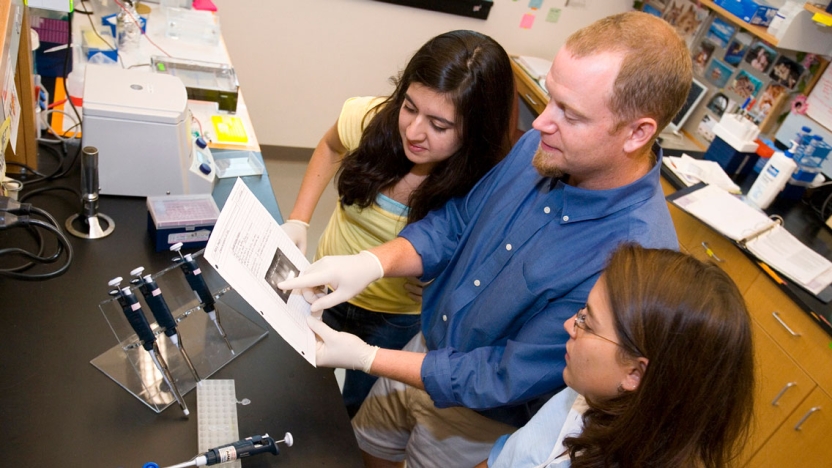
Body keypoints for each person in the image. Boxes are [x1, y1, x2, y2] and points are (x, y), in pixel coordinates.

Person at [279, 11, 692, 467]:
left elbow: (503, 375)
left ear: (638, 132)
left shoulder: (634, 259)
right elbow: (456, 222)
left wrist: (370, 357)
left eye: (569, 113)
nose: (539, 124)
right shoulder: (547, 148)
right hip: (422, 350)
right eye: (549, 99)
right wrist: (373, 263)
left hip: (475, 417)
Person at [280, 30, 516, 418]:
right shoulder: (369, 118)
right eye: (409, 106)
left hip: (396, 316)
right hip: (322, 284)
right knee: (294, 380)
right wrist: (298, 219)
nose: (413, 131)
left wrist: (440, 276)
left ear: (476, 131)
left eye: (439, 126)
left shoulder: (484, 182)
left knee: (355, 405)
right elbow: (330, 145)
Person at [481, 245, 755, 468]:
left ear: (635, 374)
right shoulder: (588, 391)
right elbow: (508, 455)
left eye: (587, 323)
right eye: (582, 313)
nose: (569, 325)